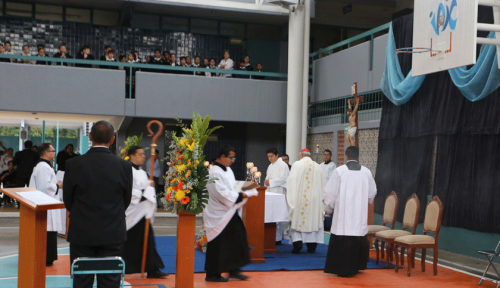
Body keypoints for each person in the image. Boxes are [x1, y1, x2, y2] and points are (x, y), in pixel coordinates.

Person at [63, 120, 133, 288]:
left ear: (90, 137)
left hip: (82, 232)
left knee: (81, 280)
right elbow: (126, 199)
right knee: (110, 281)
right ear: (112, 139)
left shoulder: (73, 164)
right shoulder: (123, 166)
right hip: (112, 232)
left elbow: (68, 200)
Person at [203, 145, 258, 282]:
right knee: (218, 243)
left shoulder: (227, 170)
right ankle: (212, 274)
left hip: (228, 211)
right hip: (218, 212)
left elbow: (233, 186)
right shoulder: (214, 172)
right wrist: (243, 195)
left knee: (238, 237)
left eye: (234, 157)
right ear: (222, 156)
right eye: (231, 157)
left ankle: (234, 269)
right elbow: (221, 193)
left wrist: (246, 186)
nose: (233, 160)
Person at [323, 146, 377, 277]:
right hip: (359, 214)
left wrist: (326, 202)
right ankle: (357, 266)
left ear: (346, 157)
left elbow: (330, 192)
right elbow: (372, 193)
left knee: (343, 235)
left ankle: (340, 268)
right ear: (358, 157)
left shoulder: (340, 171)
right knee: (358, 235)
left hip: (343, 215)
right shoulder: (366, 172)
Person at [123, 146, 167, 278]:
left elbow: (144, 187)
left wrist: (149, 186)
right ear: (132, 156)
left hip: (143, 211)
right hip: (133, 211)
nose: (144, 156)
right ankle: (127, 267)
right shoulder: (127, 170)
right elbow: (128, 190)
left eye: (144, 154)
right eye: (140, 154)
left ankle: (152, 268)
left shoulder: (142, 172)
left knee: (148, 241)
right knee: (131, 242)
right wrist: (145, 191)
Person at [29, 143, 63, 266]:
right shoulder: (43, 166)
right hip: (46, 205)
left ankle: (48, 257)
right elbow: (45, 187)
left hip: (48, 205)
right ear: (46, 153)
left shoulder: (44, 166)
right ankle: (46, 258)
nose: (55, 153)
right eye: (53, 150)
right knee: (47, 233)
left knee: (50, 233)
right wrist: (57, 185)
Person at [286, 148, 326, 254]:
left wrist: (291, 198)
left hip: (299, 198)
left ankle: (297, 242)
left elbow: (291, 181)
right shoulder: (318, 167)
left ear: (301, 155)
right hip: (315, 200)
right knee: (312, 221)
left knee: (297, 218)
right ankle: (312, 246)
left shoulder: (297, 164)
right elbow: (323, 184)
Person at [264, 147, 290, 244]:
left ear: (276, 155)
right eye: (268, 157)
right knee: (271, 214)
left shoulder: (283, 165)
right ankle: (271, 237)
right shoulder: (270, 166)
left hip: (278, 191)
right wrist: (266, 182)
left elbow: (283, 179)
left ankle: (278, 238)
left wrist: (270, 182)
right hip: (270, 191)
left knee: (277, 215)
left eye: (271, 156)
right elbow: (268, 177)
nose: (270, 158)